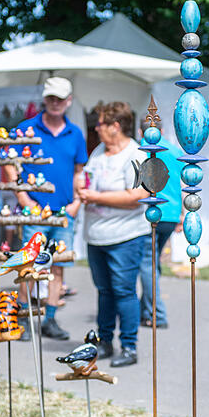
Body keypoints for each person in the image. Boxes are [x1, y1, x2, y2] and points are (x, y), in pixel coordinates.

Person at [11, 77, 88, 342]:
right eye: (51, 98)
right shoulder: (26, 129)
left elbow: (80, 171)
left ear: (68, 101)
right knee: (28, 265)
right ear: (44, 99)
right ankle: (22, 319)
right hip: (35, 210)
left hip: (64, 212)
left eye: (60, 98)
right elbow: (9, 162)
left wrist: (77, 204)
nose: (55, 103)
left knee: (57, 267)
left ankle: (51, 319)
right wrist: (23, 197)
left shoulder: (75, 133)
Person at [79, 101, 149, 367]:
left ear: (115, 126)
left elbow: (138, 195)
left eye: (100, 124)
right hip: (96, 234)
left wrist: (96, 196)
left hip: (126, 235)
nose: (96, 129)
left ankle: (129, 346)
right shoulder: (98, 151)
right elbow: (87, 178)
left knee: (124, 291)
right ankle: (104, 341)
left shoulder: (136, 154)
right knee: (104, 291)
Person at [138, 118, 182, 328]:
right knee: (153, 263)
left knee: (148, 264)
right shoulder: (173, 150)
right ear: (162, 130)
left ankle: (157, 313)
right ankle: (144, 310)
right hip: (171, 214)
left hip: (152, 213)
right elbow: (181, 183)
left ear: (140, 131)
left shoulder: (140, 150)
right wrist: (181, 215)